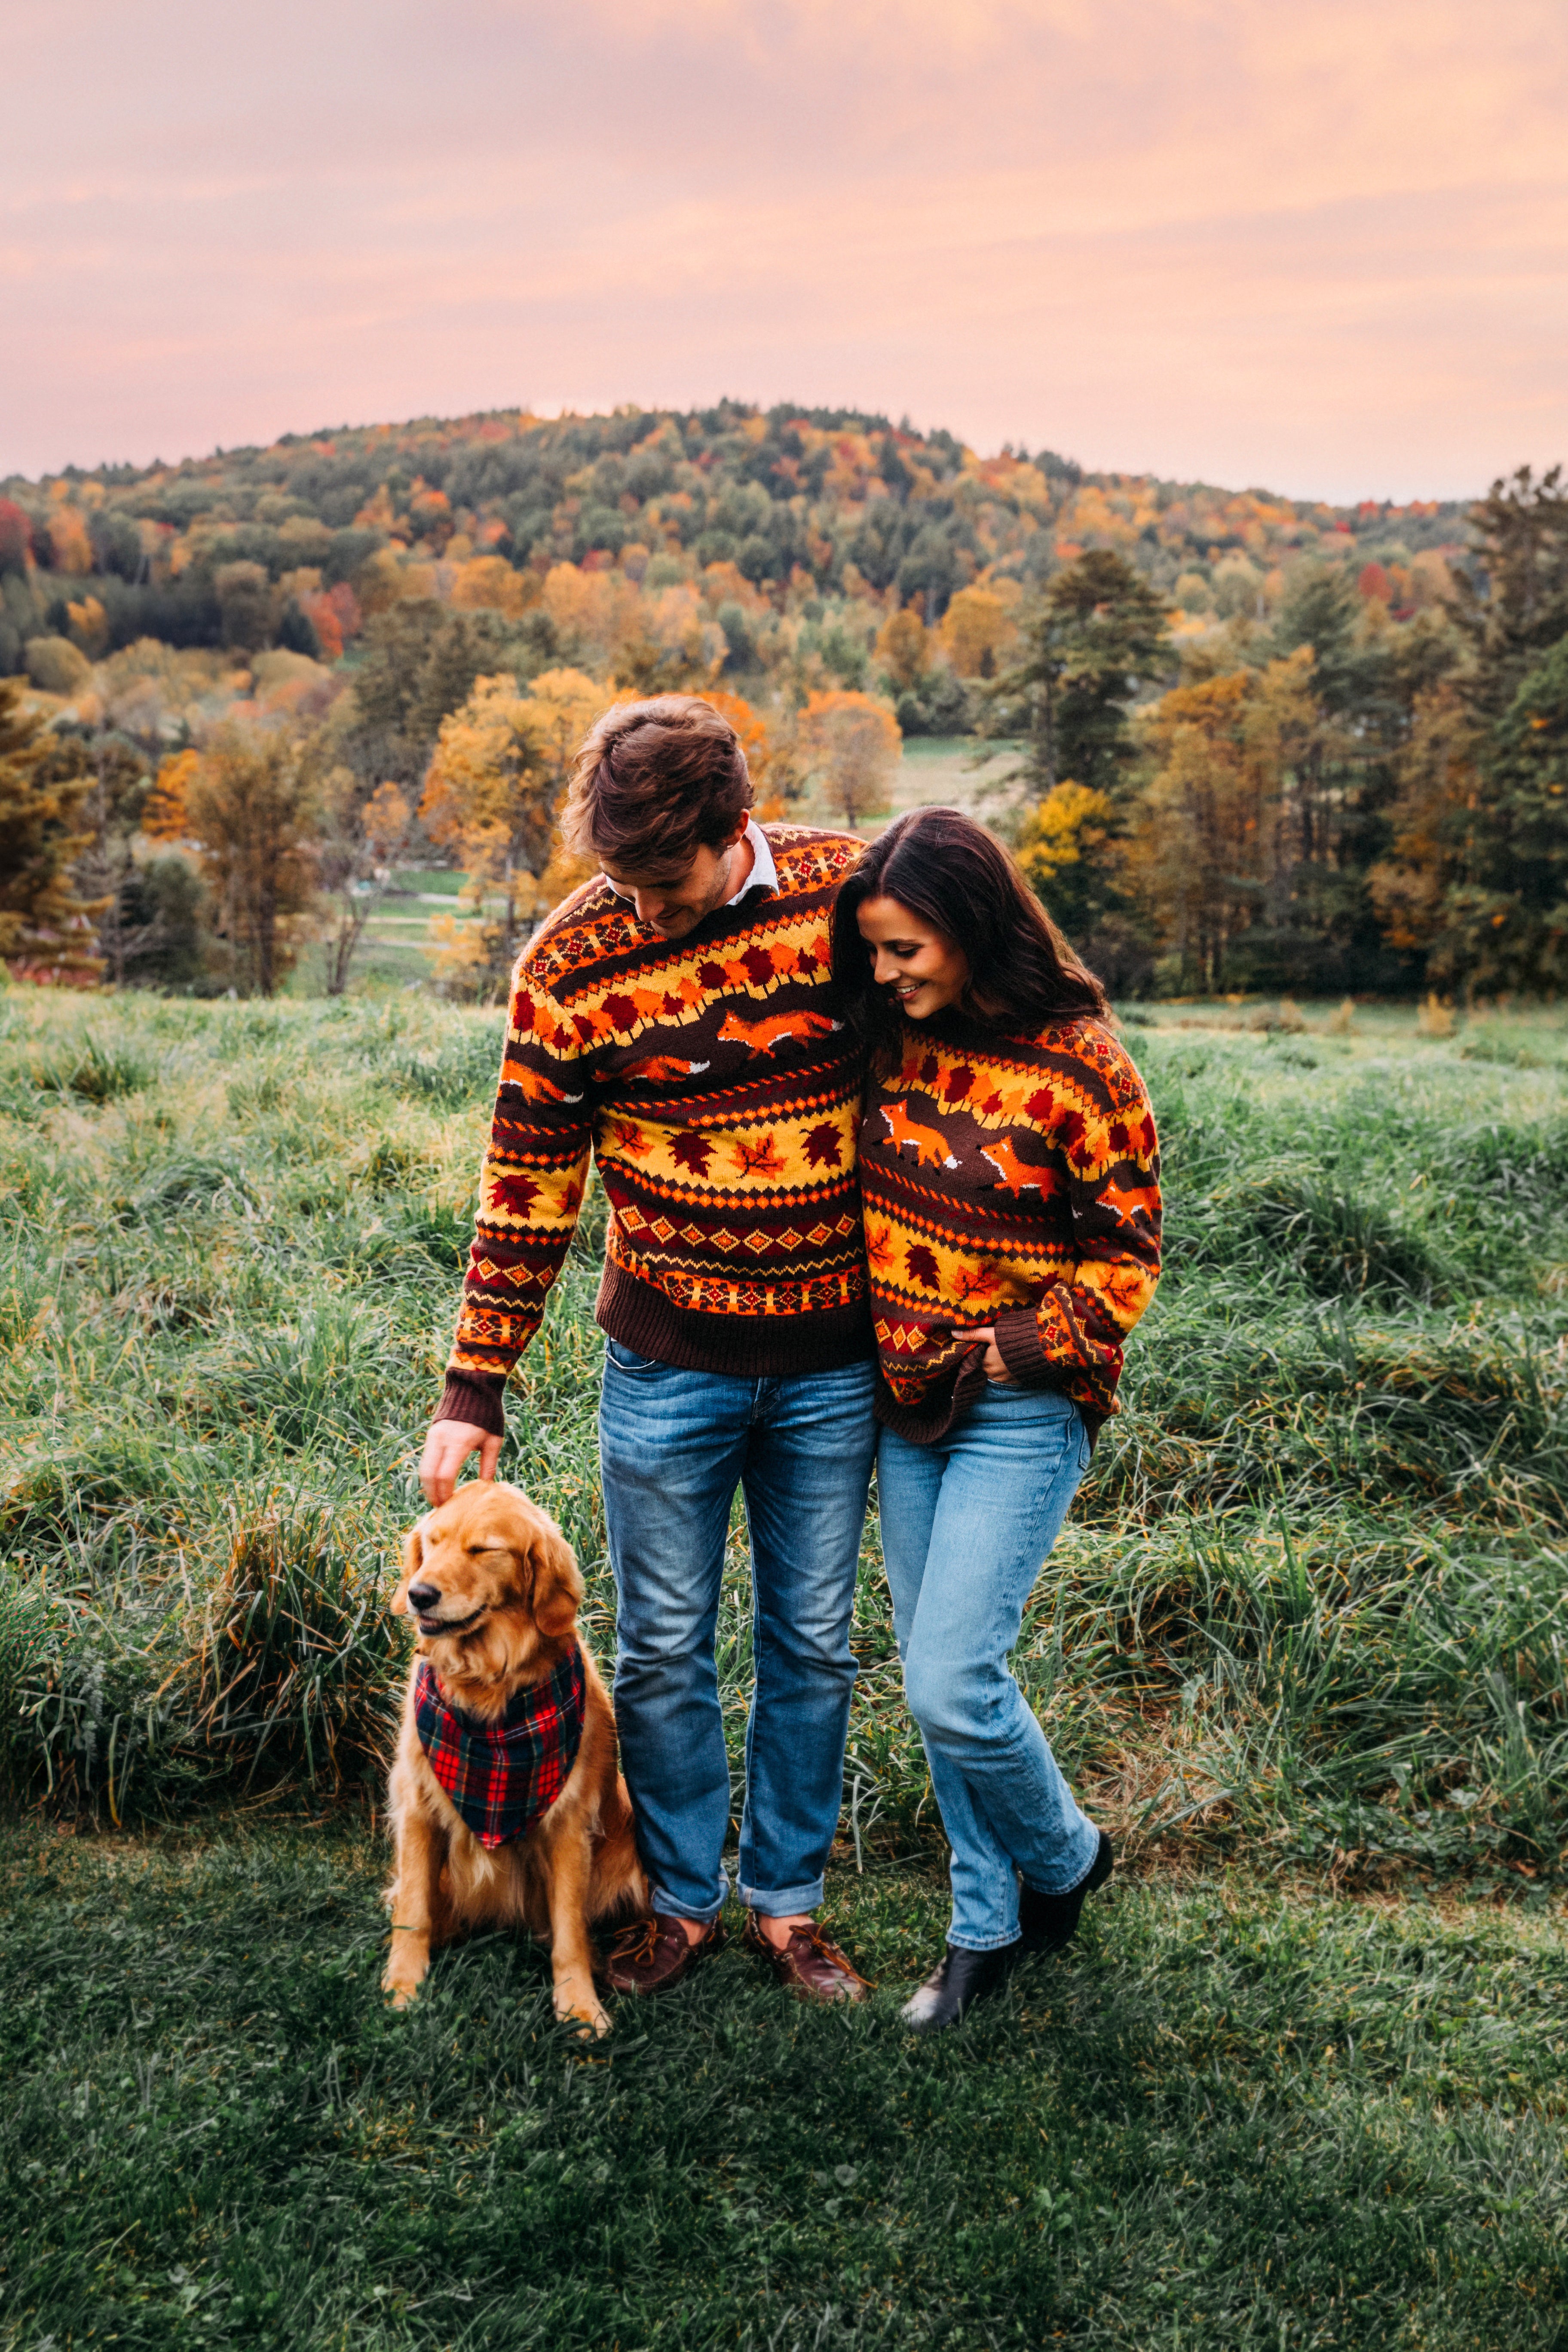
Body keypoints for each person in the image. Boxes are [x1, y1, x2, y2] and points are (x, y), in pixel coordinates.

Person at [420, 695, 875, 2005]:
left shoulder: (850, 895)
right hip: (668, 1364)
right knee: (664, 1646)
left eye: (668, 884)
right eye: (623, 881)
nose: (649, 912)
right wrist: (476, 1383)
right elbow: (527, 1182)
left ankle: (786, 1905)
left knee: (814, 1641)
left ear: (739, 828)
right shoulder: (570, 964)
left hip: (834, 1363)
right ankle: (678, 1899)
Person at [830, 806, 1161, 2030]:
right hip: (907, 1403)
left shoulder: (1084, 1067)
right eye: (874, 949)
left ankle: (1067, 1859)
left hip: (1024, 1407)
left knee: (957, 1679)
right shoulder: (891, 1040)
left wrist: (1019, 1345)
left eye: (906, 949)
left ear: (973, 929)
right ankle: (984, 1926)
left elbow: (1126, 1262)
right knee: (931, 1680)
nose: (886, 973)